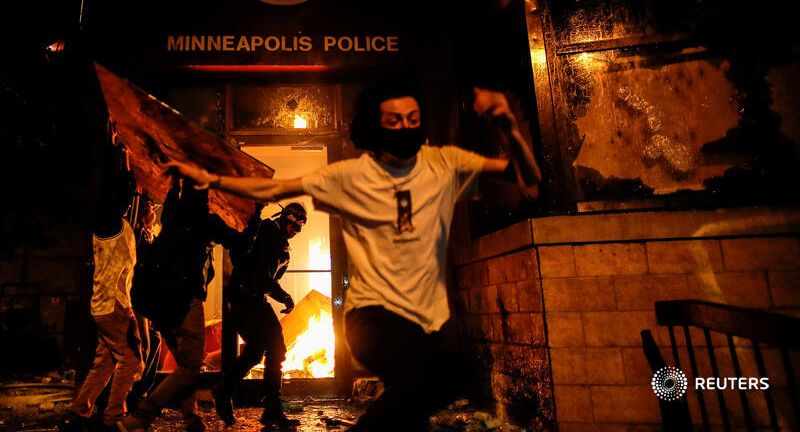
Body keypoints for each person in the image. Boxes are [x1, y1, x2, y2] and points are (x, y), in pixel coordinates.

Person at [165, 85, 541, 431]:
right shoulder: (351, 175)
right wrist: (210, 180)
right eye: (394, 120)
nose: (406, 128)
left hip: (417, 316)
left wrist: (507, 124)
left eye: (413, 119)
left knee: (418, 400)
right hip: (371, 316)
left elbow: (528, 178)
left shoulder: (441, 164)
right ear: (375, 128)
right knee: (446, 373)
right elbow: (273, 187)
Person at [119, 177, 244, 432]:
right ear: (205, 195)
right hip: (185, 301)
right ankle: (141, 416)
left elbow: (172, 197)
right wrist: (251, 214)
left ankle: (191, 419)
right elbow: (239, 241)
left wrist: (175, 182)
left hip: (162, 304)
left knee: (183, 362)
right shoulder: (205, 220)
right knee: (190, 367)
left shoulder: (173, 212)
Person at [61, 166, 143, 432]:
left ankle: (78, 412)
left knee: (104, 363)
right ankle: (113, 417)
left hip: (106, 304)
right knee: (130, 360)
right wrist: (125, 172)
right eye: (130, 196)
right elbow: (120, 190)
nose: (132, 201)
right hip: (113, 305)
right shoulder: (110, 222)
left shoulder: (112, 221)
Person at [212, 202, 307, 428]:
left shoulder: (279, 239)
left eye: (300, 229)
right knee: (269, 349)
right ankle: (234, 395)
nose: (295, 232)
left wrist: (281, 295)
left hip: (254, 298)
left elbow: (267, 278)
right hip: (245, 297)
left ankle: (263, 405)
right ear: (286, 219)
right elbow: (261, 274)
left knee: (263, 350)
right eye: (294, 226)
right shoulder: (268, 232)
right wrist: (284, 296)